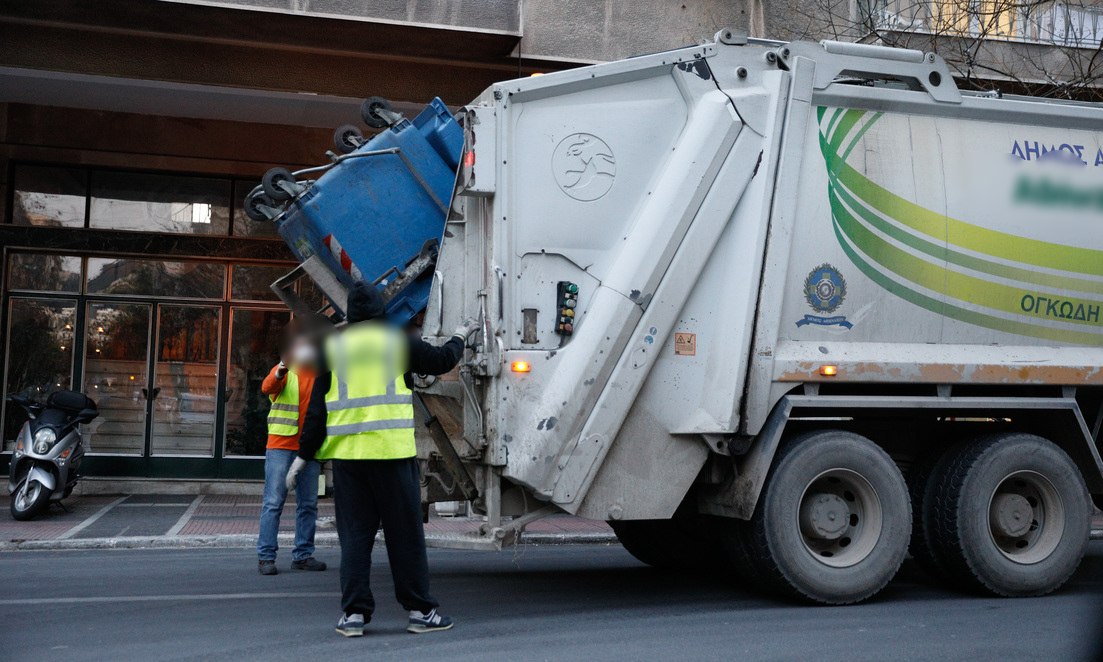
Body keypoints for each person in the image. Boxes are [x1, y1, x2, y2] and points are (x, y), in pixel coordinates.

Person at [286, 281, 477, 637]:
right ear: (379, 311)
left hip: (349, 460)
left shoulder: (332, 347)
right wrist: (461, 336)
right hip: (392, 455)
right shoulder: (397, 342)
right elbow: (441, 361)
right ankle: (420, 611)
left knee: (355, 539)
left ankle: (354, 616)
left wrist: (303, 456)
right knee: (404, 537)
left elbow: (317, 409)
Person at [256, 331, 327, 575]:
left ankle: (303, 555)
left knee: (308, 505)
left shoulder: (321, 374)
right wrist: (283, 366)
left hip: (309, 450)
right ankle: (266, 557)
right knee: (273, 503)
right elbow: (267, 386)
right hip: (281, 447)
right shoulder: (286, 372)